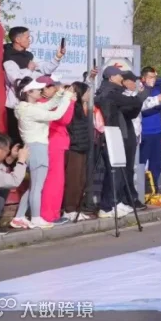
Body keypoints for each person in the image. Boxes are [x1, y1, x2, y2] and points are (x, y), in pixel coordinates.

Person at [10, 77, 75, 229]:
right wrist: (67, 97)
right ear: (29, 92)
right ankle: (36, 218)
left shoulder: (29, 107)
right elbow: (56, 115)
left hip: (34, 147)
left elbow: (50, 105)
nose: (41, 91)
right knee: (37, 187)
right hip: (37, 148)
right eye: (38, 89)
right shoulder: (30, 110)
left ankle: (19, 217)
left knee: (34, 186)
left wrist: (60, 94)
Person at [95, 66, 151, 215]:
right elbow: (133, 101)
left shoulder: (113, 92)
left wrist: (136, 101)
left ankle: (115, 202)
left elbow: (131, 110)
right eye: (119, 75)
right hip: (112, 134)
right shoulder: (110, 93)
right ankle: (107, 206)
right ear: (111, 77)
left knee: (119, 171)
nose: (122, 78)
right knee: (114, 172)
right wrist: (143, 93)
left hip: (118, 132)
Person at [2, 26, 63, 147]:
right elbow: (17, 81)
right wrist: (29, 70)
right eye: (27, 37)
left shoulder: (29, 55)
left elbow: (45, 69)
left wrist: (57, 57)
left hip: (32, 104)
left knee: (31, 141)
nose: (30, 40)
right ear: (17, 39)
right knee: (17, 142)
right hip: (16, 107)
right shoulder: (9, 59)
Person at [38, 77, 76, 224]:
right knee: (53, 181)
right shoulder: (43, 104)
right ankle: (49, 215)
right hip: (52, 143)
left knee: (56, 181)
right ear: (44, 88)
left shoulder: (47, 102)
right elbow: (64, 119)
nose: (56, 90)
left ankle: (53, 213)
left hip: (55, 143)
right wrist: (70, 102)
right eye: (53, 87)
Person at [61, 82, 95, 220]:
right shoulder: (72, 107)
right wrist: (75, 141)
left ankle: (76, 208)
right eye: (86, 92)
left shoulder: (81, 107)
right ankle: (69, 209)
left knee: (81, 180)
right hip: (74, 148)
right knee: (73, 180)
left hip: (82, 147)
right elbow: (70, 127)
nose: (89, 95)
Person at [139, 67, 161, 193]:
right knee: (141, 162)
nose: (153, 80)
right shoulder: (140, 90)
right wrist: (157, 103)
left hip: (157, 132)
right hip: (144, 132)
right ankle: (140, 188)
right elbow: (142, 109)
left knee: (156, 163)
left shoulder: (157, 90)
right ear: (143, 78)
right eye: (150, 77)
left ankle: (154, 188)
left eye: (154, 77)